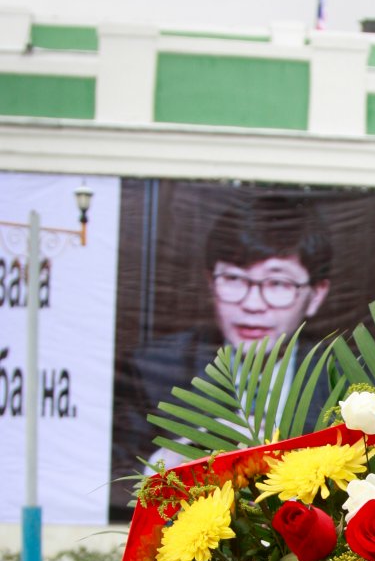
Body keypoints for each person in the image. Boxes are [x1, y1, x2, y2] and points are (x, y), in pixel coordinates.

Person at [112, 195, 332, 493]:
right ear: (210, 282)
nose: (252, 304)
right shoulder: (151, 371)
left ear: (316, 295)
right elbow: (110, 480)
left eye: (278, 283)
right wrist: (172, 461)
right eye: (234, 279)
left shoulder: (345, 378)